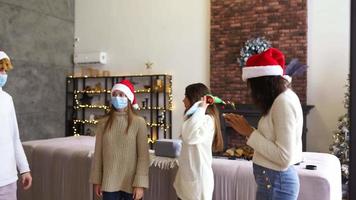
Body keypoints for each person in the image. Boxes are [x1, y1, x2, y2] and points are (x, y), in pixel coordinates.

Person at [224, 48, 303, 200]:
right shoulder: (279, 100)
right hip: (272, 182)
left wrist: (249, 132)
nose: (251, 92)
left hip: (276, 184)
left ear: (262, 83)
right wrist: (246, 129)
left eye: (252, 85)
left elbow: (284, 156)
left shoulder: (283, 103)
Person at [89, 80, 149, 200]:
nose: (117, 97)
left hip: (132, 184)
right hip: (108, 183)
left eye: (121, 95)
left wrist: (140, 184)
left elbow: (143, 156)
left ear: (129, 98)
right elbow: (98, 155)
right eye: (114, 94)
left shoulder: (139, 122)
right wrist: (97, 181)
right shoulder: (103, 123)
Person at [174, 83, 224, 200]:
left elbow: (189, 137)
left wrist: (201, 107)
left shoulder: (207, 120)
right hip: (186, 181)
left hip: (198, 184)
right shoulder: (192, 118)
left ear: (194, 99)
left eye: (186, 96)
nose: (183, 100)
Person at [0, 51, 32, 200]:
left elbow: (15, 138)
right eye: (1, 69)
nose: (4, 74)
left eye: (5, 70)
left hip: (8, 179)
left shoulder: (7, 100)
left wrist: (24, 169)